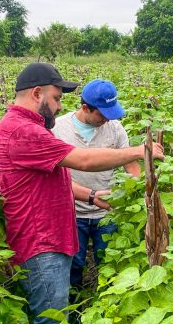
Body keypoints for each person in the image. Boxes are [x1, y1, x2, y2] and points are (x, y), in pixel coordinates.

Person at [0, 63, 164, 324]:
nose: (58, 107)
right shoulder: (23, 132)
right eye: (56, 98)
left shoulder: (27, 129)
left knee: (58, 316)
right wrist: (138, 150)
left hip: (50, 236)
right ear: (36, 94)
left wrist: (93, 195)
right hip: (41, 242)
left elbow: (56, 178)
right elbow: (81, 161)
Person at [52, 79, 140, 290]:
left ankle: (105, 309)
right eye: (102, 114)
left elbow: (131, 164)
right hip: (71, 212)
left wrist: (136, 188)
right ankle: (73, 312)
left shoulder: (116, 129)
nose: (108, 119)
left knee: (109, 263)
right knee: (73, 266)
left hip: (107, 213)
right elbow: (53, 175)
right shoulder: (58, 129)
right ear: (85, 108)